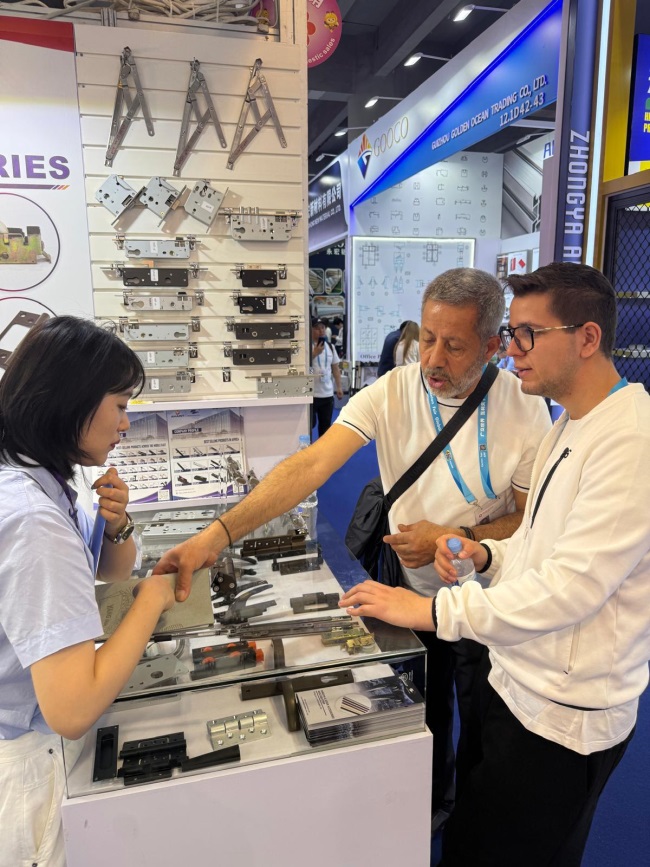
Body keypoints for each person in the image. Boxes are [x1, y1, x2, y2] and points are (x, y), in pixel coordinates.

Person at [154, 267, 551, 823]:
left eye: (454, 346)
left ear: (490, 347)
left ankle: (471, 821)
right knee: (421, 705)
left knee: (485, 717)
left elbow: (530, 519)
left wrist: (460, 538)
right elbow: (309, 465)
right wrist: (218, 534)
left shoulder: (525, 409)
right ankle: (428, 807)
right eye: (428, 338)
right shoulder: (392, 391)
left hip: (486, 597)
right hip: (408, 591)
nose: (433, 359)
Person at [338, 262, 650, 866]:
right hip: (519, 683)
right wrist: (485, 552)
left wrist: (431, 611)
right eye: (512, 333)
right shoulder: (570, 423)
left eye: (529, 335)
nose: (511, 350)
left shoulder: (630, 440)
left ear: (587, 338)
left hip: (563, 717)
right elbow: (537, 543)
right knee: (473, 842)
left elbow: (570, 589)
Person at [0, 316, 175, 867]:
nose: (125, 422)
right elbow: (72, 709)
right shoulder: (33, 520)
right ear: (70, 400)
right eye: (119, 405)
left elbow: (110, 572)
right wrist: (153, 598)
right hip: (27, 769)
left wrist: (116, 523)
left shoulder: (35, 481)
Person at [311, 316, 344, 438]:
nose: (321, 330)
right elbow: (301, 366)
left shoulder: (330, 347)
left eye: (323, 327)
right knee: (309, 425)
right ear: (310, 330)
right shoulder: (306, 347)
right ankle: (308, 447)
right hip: (311, 395)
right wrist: (314, 353)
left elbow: (335, 368)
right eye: (317, 328)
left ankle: (322, 449)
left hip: (327, 394)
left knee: (325, 427)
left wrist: (339, 387)